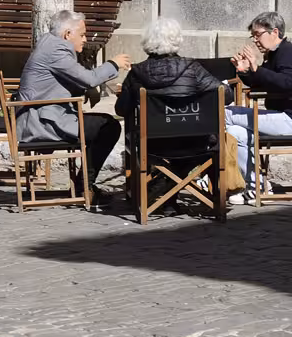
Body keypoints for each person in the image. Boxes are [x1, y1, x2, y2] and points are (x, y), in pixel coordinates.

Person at [17, 9, 131, 204]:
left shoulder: (49, 44)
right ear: (68, 34)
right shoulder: (57, 50)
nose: (85, 39)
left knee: (103, 124)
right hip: (41, 121)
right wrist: (113, 64)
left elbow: (65, 79)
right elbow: (88, 78)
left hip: (41, 115)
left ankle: (83, 184)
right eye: (82, 34)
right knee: (109, 127)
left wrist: (87, 89)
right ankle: (84, 186)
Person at [115, 17, 233, 150]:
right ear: (177, 40)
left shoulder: (136, 72)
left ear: (147, 41)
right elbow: (227, 95)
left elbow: (121, 109)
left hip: (153, 146)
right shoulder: (193, 68)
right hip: (195, 143)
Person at [225, 11, 292, 205]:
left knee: (225, 113)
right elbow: (261, 83)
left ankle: (209, 170)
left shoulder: (287, 52)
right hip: (278, 116)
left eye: (258, 34)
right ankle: (258, 186)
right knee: (235, 131)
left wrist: (257, 68)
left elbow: (287, 83)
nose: (255, 40)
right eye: (253, 35)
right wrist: (244, 71)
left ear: (274, 32)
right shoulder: (273, 54)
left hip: (288, 118)